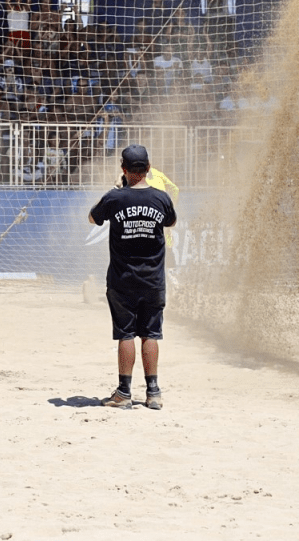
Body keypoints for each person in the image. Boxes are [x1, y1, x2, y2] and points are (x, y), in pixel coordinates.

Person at [88, 144, 177, 410]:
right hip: (153, 280)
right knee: (151, 334)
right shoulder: (161, 198)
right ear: (148, 168)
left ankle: (124, 393)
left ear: (123, 169)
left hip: (122, 279)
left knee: (125, 335)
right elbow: (170, 222)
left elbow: (92, 218)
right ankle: (153, 393)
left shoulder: (115, 198)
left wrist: (118, 188)